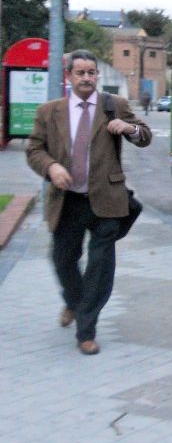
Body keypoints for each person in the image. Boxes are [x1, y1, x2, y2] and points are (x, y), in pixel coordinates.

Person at [26, 50, 152, 356]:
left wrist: (130, 129)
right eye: (80, 72)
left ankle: (86, 330)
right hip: (67, 200)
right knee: (62, 259)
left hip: (106, 201)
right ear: (68, 76)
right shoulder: (49, 111)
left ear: (97, 76)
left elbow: (145, 136)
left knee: (100, 269)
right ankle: (73, 301)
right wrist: (51, 167)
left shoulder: (114, 105)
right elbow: (34, 149)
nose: (86, 78)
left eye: (91, 72)